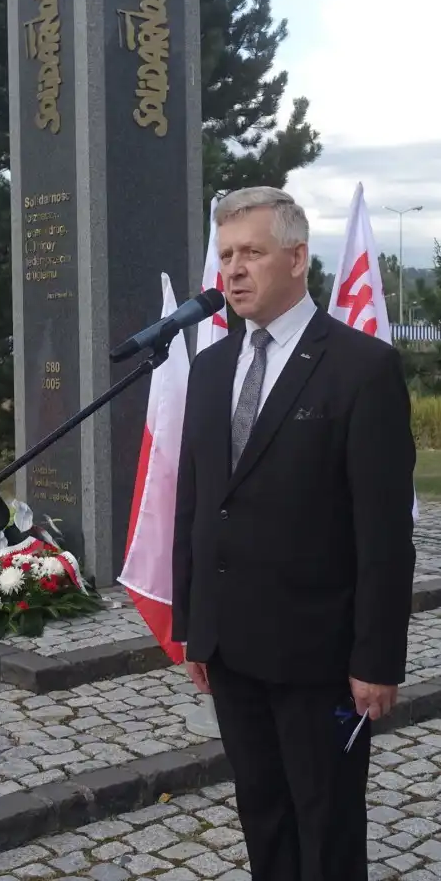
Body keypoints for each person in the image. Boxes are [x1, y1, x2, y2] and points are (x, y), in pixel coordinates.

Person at [171, 186, 415, 881]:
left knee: (326, 824)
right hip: (231, 647)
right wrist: (193, 626)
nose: (234, 270)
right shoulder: (211, 367)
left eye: (251, 252)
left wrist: (377, 659)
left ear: (298, 258)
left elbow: (383, 534)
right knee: (263, 815)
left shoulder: (361, 369)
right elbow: (197, 502)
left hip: (319, 655)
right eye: (226, 256)